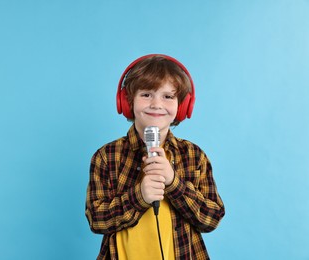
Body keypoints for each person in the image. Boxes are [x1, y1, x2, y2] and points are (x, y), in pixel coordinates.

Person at [85, 54, 225, 260]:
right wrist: (139, 197)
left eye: (168, 96)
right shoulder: (107, 156)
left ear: (183, 105)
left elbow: (211, 218)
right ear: (127, 101)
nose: (156, 104)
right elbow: (96, 220)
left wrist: (173, 182)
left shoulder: (194, 156)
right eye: (147, 95)